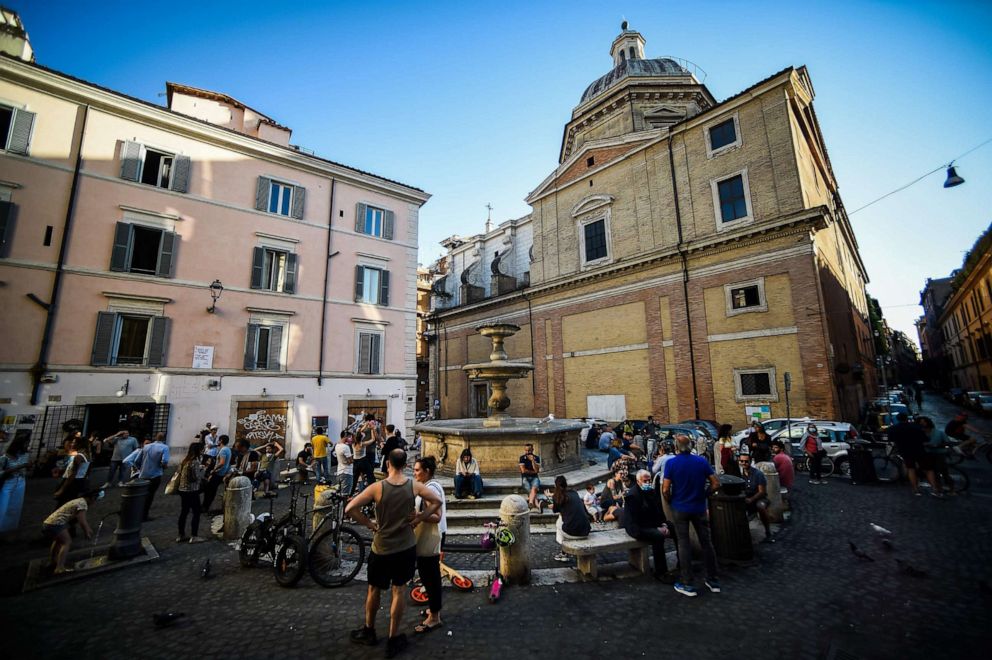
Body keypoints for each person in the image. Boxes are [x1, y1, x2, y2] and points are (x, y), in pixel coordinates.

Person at [346, 449, 442, 657]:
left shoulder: (377, 488)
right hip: (405, 547)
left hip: (381, 547)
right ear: (405, 465)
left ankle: (369, 630)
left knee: (374, 589)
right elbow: (437, 503)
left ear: (388, 464)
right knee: (399, 591)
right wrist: (418, 518)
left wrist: (370, 524)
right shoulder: (413, 486)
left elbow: (350, 509)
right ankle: (393, 638)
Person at [662, 434, 721, 596]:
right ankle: (713, 579)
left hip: (680, 507)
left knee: (683, 544)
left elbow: (665, 489)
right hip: (699, 507)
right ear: (691, 446)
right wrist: (705, 494)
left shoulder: (671, 463)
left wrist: (671, 500)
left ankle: (688, 583)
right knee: (706, 542)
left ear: (676, 447)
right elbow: (716, 483)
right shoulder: (701, 461)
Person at [412, 456, 447, 635]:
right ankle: (434, 610)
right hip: (431, 536)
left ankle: (434, 618)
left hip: (431, 538)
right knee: (429, 576)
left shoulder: (430, 489)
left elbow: (436, 516)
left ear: (427, 471)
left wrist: (416, 517)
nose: (414, 473)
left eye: (417, 470)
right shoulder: (431, 486)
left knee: (430, 577)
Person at [625, 469, 672, 581]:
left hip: (651, 523)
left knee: (674, 528)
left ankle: (683, 563)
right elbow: (637, 519)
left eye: (649, 480)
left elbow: (658, 510)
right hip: (637, 527)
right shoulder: (633, 495)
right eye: (645, 480)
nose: (648, 482)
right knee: (658, 536)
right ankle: (661, 572)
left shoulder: (650, 491)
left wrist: (664, 524)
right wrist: (657, 528)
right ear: (638, 481)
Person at [43, 488, 101, 575]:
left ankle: (53, 561)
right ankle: (59, 568)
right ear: (92, 498)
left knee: (58, 541)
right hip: (56, 524)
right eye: (95, 500)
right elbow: (81, 519)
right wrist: (87, 530)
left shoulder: (79, 500)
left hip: (48, 522)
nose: (94, 502)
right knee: (67, 542)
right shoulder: (83, 504)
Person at [889, 412, 940, 497]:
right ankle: (935, 489)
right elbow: (925, 439)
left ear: (897, 419)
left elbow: (891, 439)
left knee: (911, 469)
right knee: (928, 469)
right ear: (907, 418)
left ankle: (916, 489)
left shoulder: (893, 428)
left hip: (905, 451)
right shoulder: (916, 427)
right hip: (919, 450)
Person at [127, 432, 171, 521]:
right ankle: (143, 515)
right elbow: (165, 461)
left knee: (141, 495)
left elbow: (136, 461)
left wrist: (141, 468)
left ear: (155, 437)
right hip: (155, 475)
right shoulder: (165, 447)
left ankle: (135, 513)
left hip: (143, 474)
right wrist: (163, 467)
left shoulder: (146, 447)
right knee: (149, 496)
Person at [548, 475, 591, 562]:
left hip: (573, 532)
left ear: (555, 486)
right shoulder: (574, 493)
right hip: (586, 530)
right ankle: (564, 552)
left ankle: (564, 552)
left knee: (559, 521)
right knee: (567, 518)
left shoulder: (557, 497)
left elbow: (556, 510)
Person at [738, 453, 773, 541]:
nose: (744, 463)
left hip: (759, 498)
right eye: (741, 461)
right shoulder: (740, 474)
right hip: (746, 498)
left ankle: (768, 531)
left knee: (760, 506)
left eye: (746, 461)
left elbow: (762, 492)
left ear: (750, 462)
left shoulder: (758, 474)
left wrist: (751, 499)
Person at [177, 442, 207, 543]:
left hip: (182, 489)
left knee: (184, 512)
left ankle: (181, 534)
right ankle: (194, 536)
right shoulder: (194, 462)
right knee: (196, 512)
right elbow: (196, 477)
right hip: (192, 490)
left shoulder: (185, 461)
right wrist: (203, 471)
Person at [0, 435, 31, 532]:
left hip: (21, 481)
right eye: (25, 444)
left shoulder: (24, 455)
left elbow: (26, 471)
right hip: (8, 482)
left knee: (15, 506)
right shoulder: (5, 457)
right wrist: (19, 467)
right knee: (2, 506)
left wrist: (29, 467)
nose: (27, 446)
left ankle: (7, 530)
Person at [919, 416, 955, 496]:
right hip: (928, 454)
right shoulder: (920, 433)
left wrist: (936, 445)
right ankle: (939, 488)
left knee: (944, 472)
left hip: (939, 454)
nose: (922, 423)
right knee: (934, 473)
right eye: (921, 422)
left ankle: (951, 489)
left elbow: (948, 443)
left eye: (924, 422)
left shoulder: (939, 432)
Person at [55, 440, 89, 505]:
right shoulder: (85, 455)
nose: (72, 444)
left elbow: (72, 474)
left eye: (74, 443)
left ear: (79, 444)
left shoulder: (78, 457)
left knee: (63, 504)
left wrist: (61, 489)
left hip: (73, 483)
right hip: (79, 482)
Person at [202, 435, 231, 513]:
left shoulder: (223, 450)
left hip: (218, 473)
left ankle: (205, 507)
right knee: (212, 490)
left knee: (209, 491)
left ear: (221, 441)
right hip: (222, 473)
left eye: (218, 440)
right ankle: (205, 506)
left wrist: (214, 470)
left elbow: (221, 463)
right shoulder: (228, 449)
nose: (217, 441)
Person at [352, 414, 380, 489]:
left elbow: (377, 439)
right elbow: (358, 433)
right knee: (361, 472)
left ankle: (369, 487)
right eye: (369, 421)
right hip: (363, 452)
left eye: (372, 420)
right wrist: (365, 425)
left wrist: (373, 429)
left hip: (371, 451)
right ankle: (363, 486)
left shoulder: (375, 427)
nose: (371, 422)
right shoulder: (363, 426)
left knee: (370, 470)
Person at [519, 443, 542, 510]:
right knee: (531, 490)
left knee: (533, 489)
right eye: (526, 450)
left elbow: (536, 470)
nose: (527, 452)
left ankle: (531, 503)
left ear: (532, 450)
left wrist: (533, 461)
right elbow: (523, 471)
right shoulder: (522, 458)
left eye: (529, 450)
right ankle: (536, 504)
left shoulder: (536, 458)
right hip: (525, 478)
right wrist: (533, 472)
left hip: (535, 478)